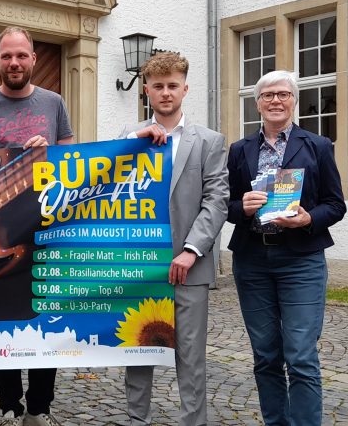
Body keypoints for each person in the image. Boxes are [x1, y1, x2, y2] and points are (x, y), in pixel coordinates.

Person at [0, 26, 73, 426]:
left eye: (21, 56)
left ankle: (40, 407)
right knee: (3, 315)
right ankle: (10, 404)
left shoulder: (54, 103)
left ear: (33, 59)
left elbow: (73, 159)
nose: (14, 63)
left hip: (47, 225)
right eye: (7, 56)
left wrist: (52, 152)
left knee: (45, 313)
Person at [226, 70, 346, 426]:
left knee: (301, 355)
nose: (275, 100)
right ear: (257, 102)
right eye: (268, 95)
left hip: (301, 260)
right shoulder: (240, 149)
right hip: (252, 259)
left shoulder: (317, 146)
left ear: (293, 101)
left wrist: (308, 218)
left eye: (283, 94)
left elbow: (335, 205)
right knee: (265, 355)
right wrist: (242, 207)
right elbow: (226, 204)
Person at [117, 52, 228, 426]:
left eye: (173, 86)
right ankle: (137, 420)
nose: (166, 93)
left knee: (191, 355)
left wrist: (191, 250)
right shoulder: (127, 138)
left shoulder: (209, 141)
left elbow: (216, 200)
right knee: (138, 350)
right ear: (147, 90)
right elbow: (100, 178)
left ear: (185, 88)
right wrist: (134, 140)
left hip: (188, 265)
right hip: (140, 265)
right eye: (158, 87)